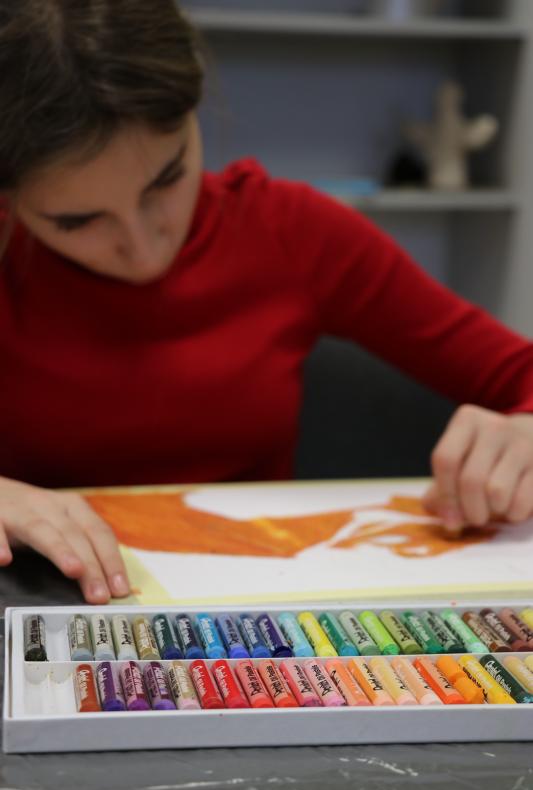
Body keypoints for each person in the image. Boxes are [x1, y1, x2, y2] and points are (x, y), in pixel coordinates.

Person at [2, 0, 533, 605]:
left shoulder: (292, 232)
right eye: (77, 221)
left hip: (256, 608)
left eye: (166, 179)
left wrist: (523, 434)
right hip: (40, 606)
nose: (143, 248)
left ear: (195, 114)